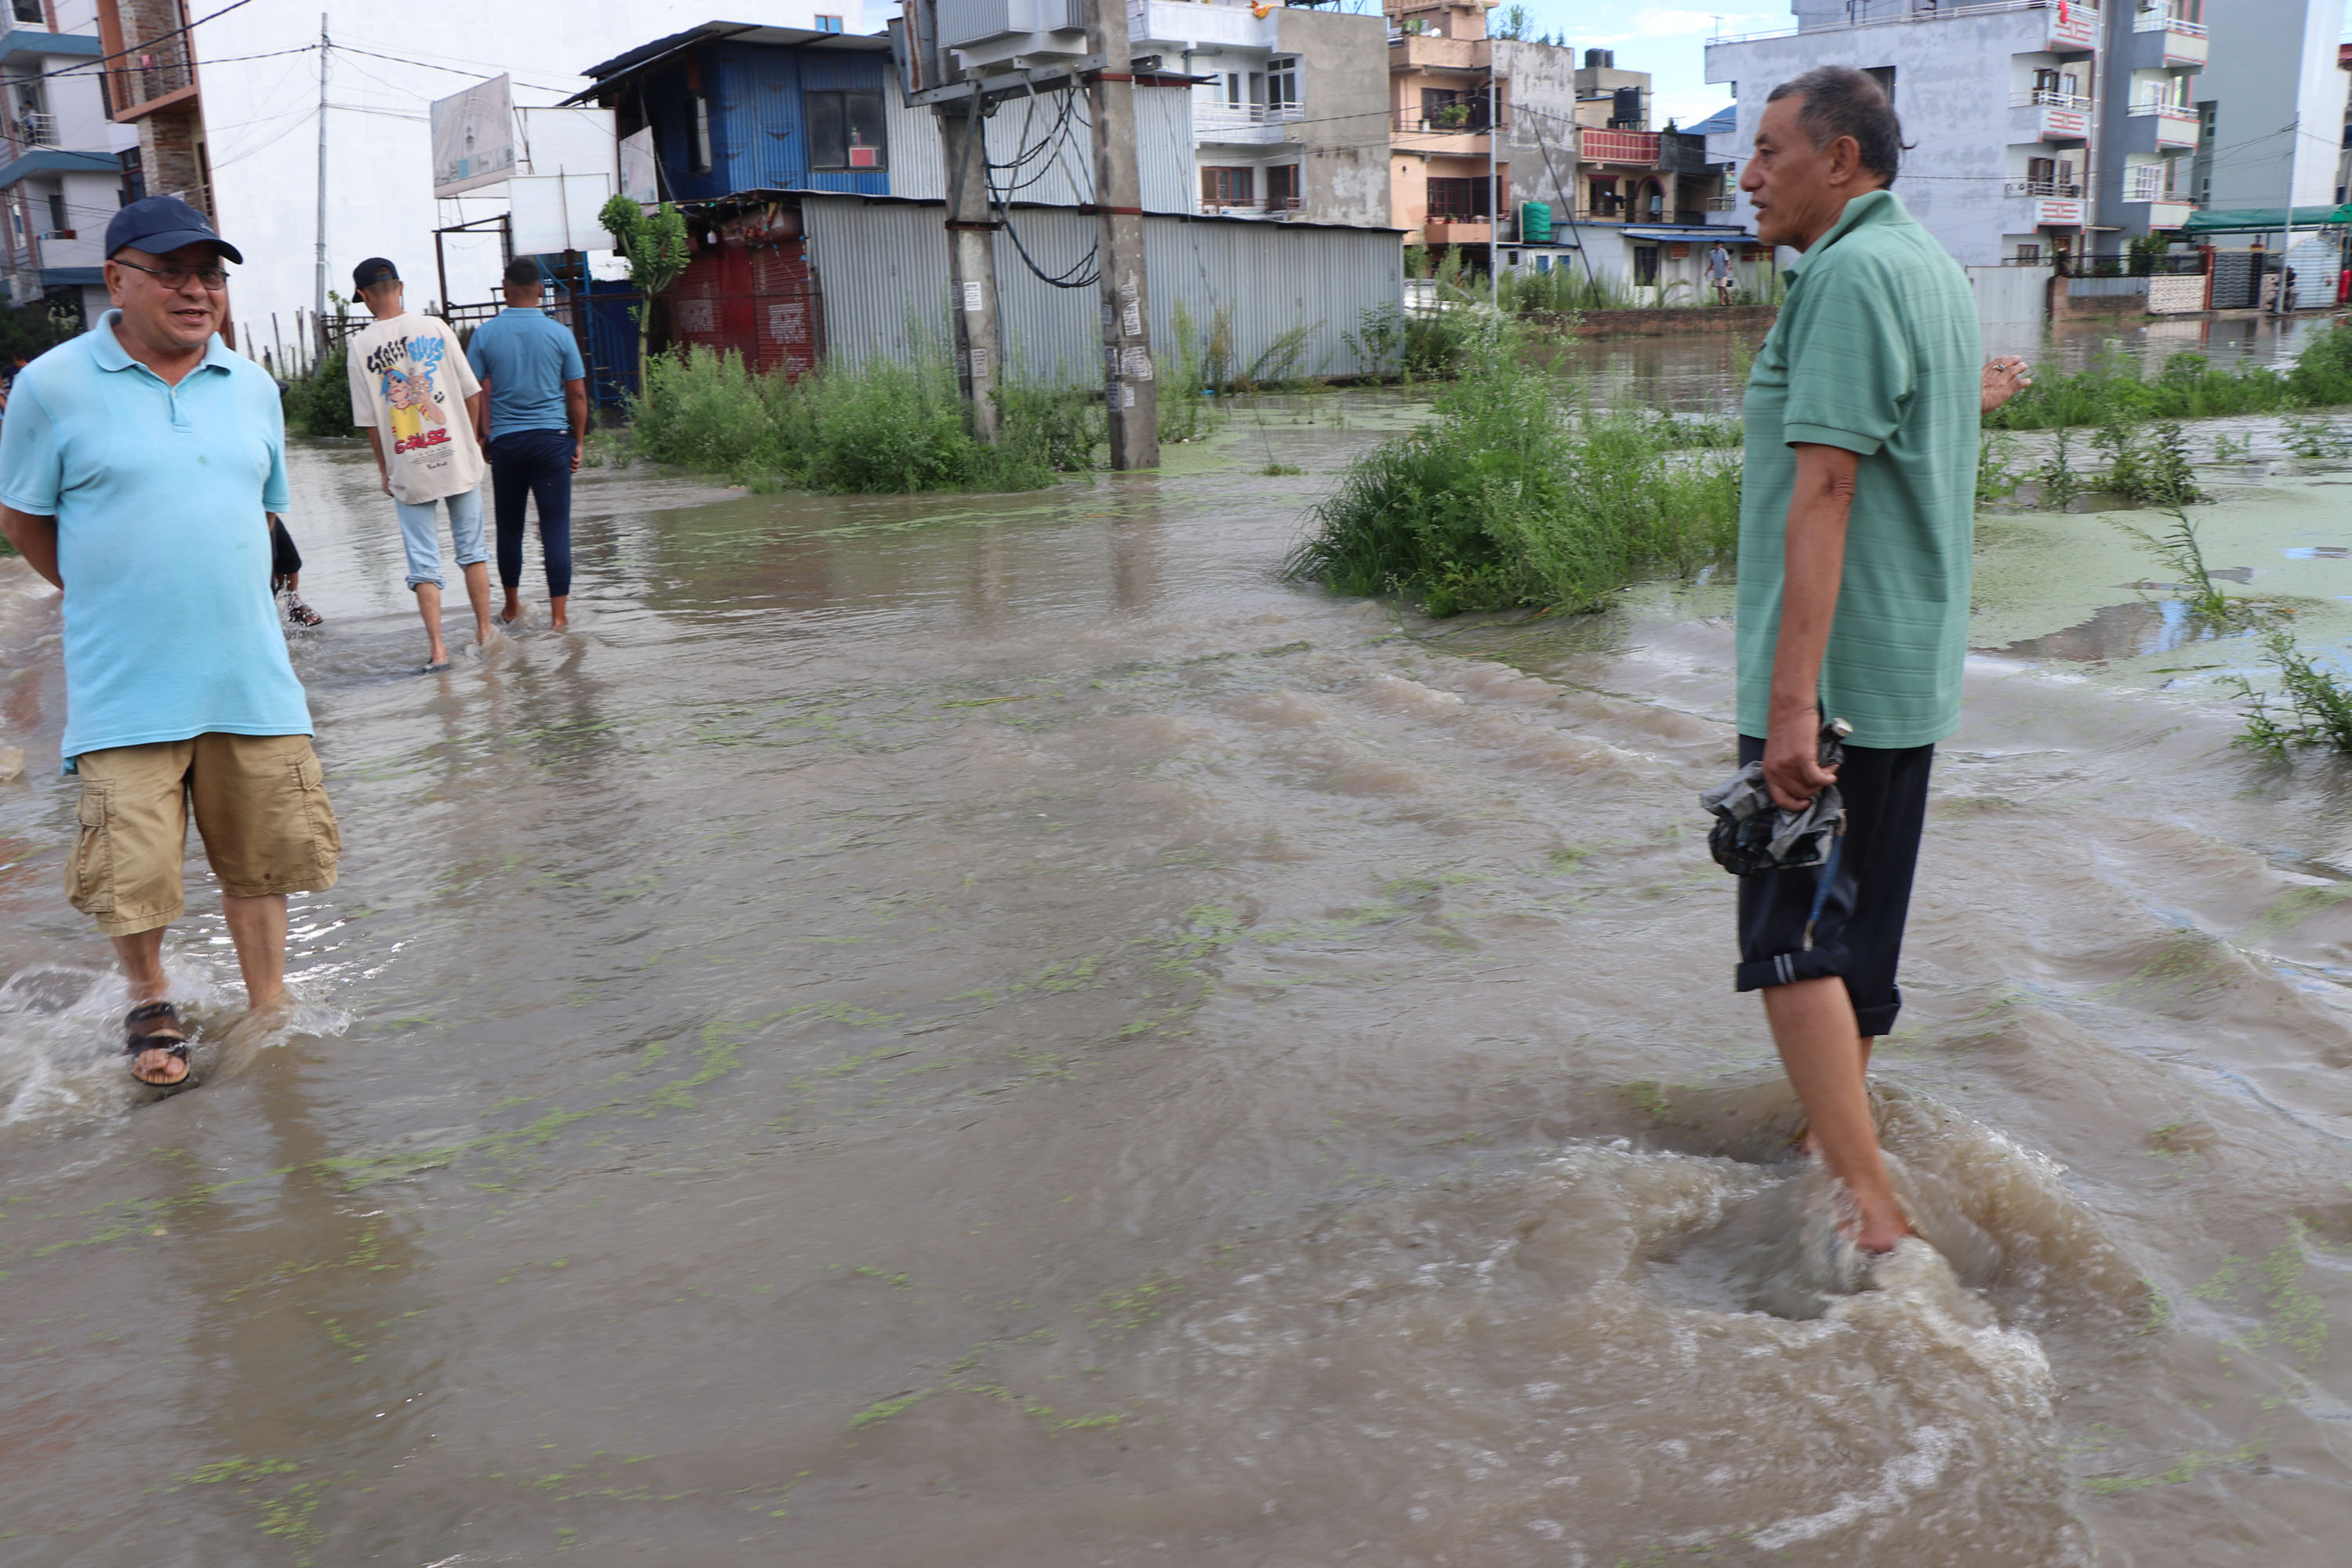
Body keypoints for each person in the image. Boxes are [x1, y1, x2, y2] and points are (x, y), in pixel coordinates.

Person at [1733, 67, 2029, 1253]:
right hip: (1908, 676)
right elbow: (1914, 432)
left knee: (1789, 939)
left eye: (1768, 152)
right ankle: (1827, 1152)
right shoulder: (1929, 272)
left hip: (1839, 677)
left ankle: (1870, 1206)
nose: (1747, 177)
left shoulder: (1849, 276)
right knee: (1856, 943)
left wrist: (1791, 705)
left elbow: (1831, 484)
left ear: (1841, 159)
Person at [0, 195, 342, 1088]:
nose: (198, 292)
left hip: (249, 674)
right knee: (132, 867)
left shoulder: (254, 386)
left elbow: (258, 509)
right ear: (117, 280)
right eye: (174, 273)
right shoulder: (51, 386)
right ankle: (150, 996)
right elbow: (24, 517)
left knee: (261, 857)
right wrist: (107, 590)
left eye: (212, 275)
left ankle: (268, 1011)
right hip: (125, 681)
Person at [345, 256, 492, 670]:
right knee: (473, 551)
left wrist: (383, 469)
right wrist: (475, 440)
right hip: (456, 456)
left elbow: (370, 421)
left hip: (407, 464)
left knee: (423, 562)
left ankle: (439, 651)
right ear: (401, 286)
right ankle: (484, 632)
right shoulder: (437, 327)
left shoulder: (359, 346)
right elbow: (471, 390)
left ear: (362, 295)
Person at [466, 257, 588, 631]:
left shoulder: (484, 335)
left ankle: (512, 607)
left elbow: (470, 391)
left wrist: (479, 437)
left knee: (510, 527)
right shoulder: (560, 334)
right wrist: (578, 443)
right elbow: (578, 395)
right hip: (553, 441)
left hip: (507, 444)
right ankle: (558, 618)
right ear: (540, 290)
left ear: (505, 290)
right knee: (554, 528)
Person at [1708, 240, 1737, 305]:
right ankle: (1722, 301)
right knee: (1718, 287)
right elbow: (1711, 263)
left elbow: (1727, 261)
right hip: (1716, 272)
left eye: (1719, 245)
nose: (1718, 246)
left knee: (1723, 286)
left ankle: (1729, 298)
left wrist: (1727, 270)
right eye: (1716, 245)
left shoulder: (1723, 251)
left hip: (1723, 272)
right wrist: (1707, 271)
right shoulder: (1712, 252)